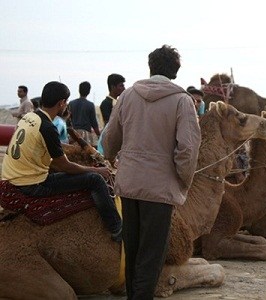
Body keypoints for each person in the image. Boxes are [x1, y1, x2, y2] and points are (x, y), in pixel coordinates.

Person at [102, 45, 201, 300]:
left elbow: (111, 137)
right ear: (176, 72)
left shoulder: (127, 96)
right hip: (159, 189)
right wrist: (182, 180)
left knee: (133, 251)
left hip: (129, 183)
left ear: (150, 66)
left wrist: (111, 159)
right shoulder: (182, 101)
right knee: (151, 256)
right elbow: (187, 150)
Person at [1, 81, 122, 240]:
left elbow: (49, 144)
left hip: (11, 176)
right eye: (65, 103)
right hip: (31, 184)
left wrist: (75, 148)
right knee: (95, 180)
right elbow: (64, 166)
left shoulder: (30, 117)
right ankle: (117, 229)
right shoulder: (47, 127)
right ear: (61, 103)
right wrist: (97, 170)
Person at [68, 81, 101, 146]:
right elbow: (94, 123)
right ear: (88, 91)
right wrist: (99, 135)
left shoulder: (71, 103)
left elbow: (68, 120)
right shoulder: (90, 105)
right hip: (86, 134)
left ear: (79, 90)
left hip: (73, 133)